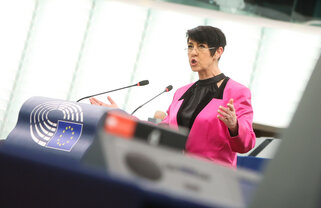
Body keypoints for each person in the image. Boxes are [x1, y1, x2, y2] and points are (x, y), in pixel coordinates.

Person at [91, 25, 256, 167]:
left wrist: (234, 126)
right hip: (175, 172)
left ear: (218, 52)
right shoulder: (182, 92)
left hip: (212, 179)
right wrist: (120, 113)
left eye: (201, 46)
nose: (194, 52)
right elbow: (163, 132)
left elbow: (246, 144)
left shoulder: (236, 92)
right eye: (190, 46)